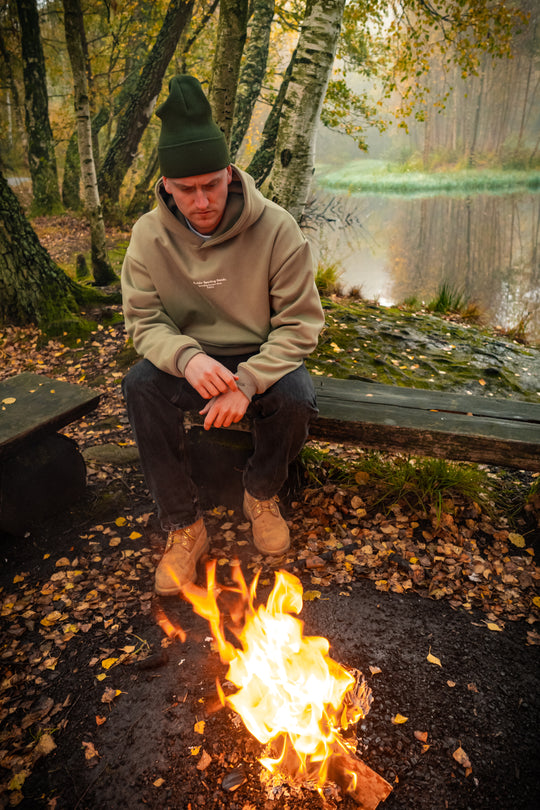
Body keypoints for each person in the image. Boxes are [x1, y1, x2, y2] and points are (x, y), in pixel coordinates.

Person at [121, 75, 325, 596]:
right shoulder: (147, 237)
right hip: (196, 361)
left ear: (230, 174)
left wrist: (249, 381)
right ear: (165, 185)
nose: (202, 200)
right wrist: (186, 359)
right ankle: (185, 525)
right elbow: (143, 320)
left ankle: (260, 493)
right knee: (140, 385)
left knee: (298, 396)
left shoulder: (277, 228)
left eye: (211, 183)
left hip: (261, 354)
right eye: (186, 189)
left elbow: (301, 323)